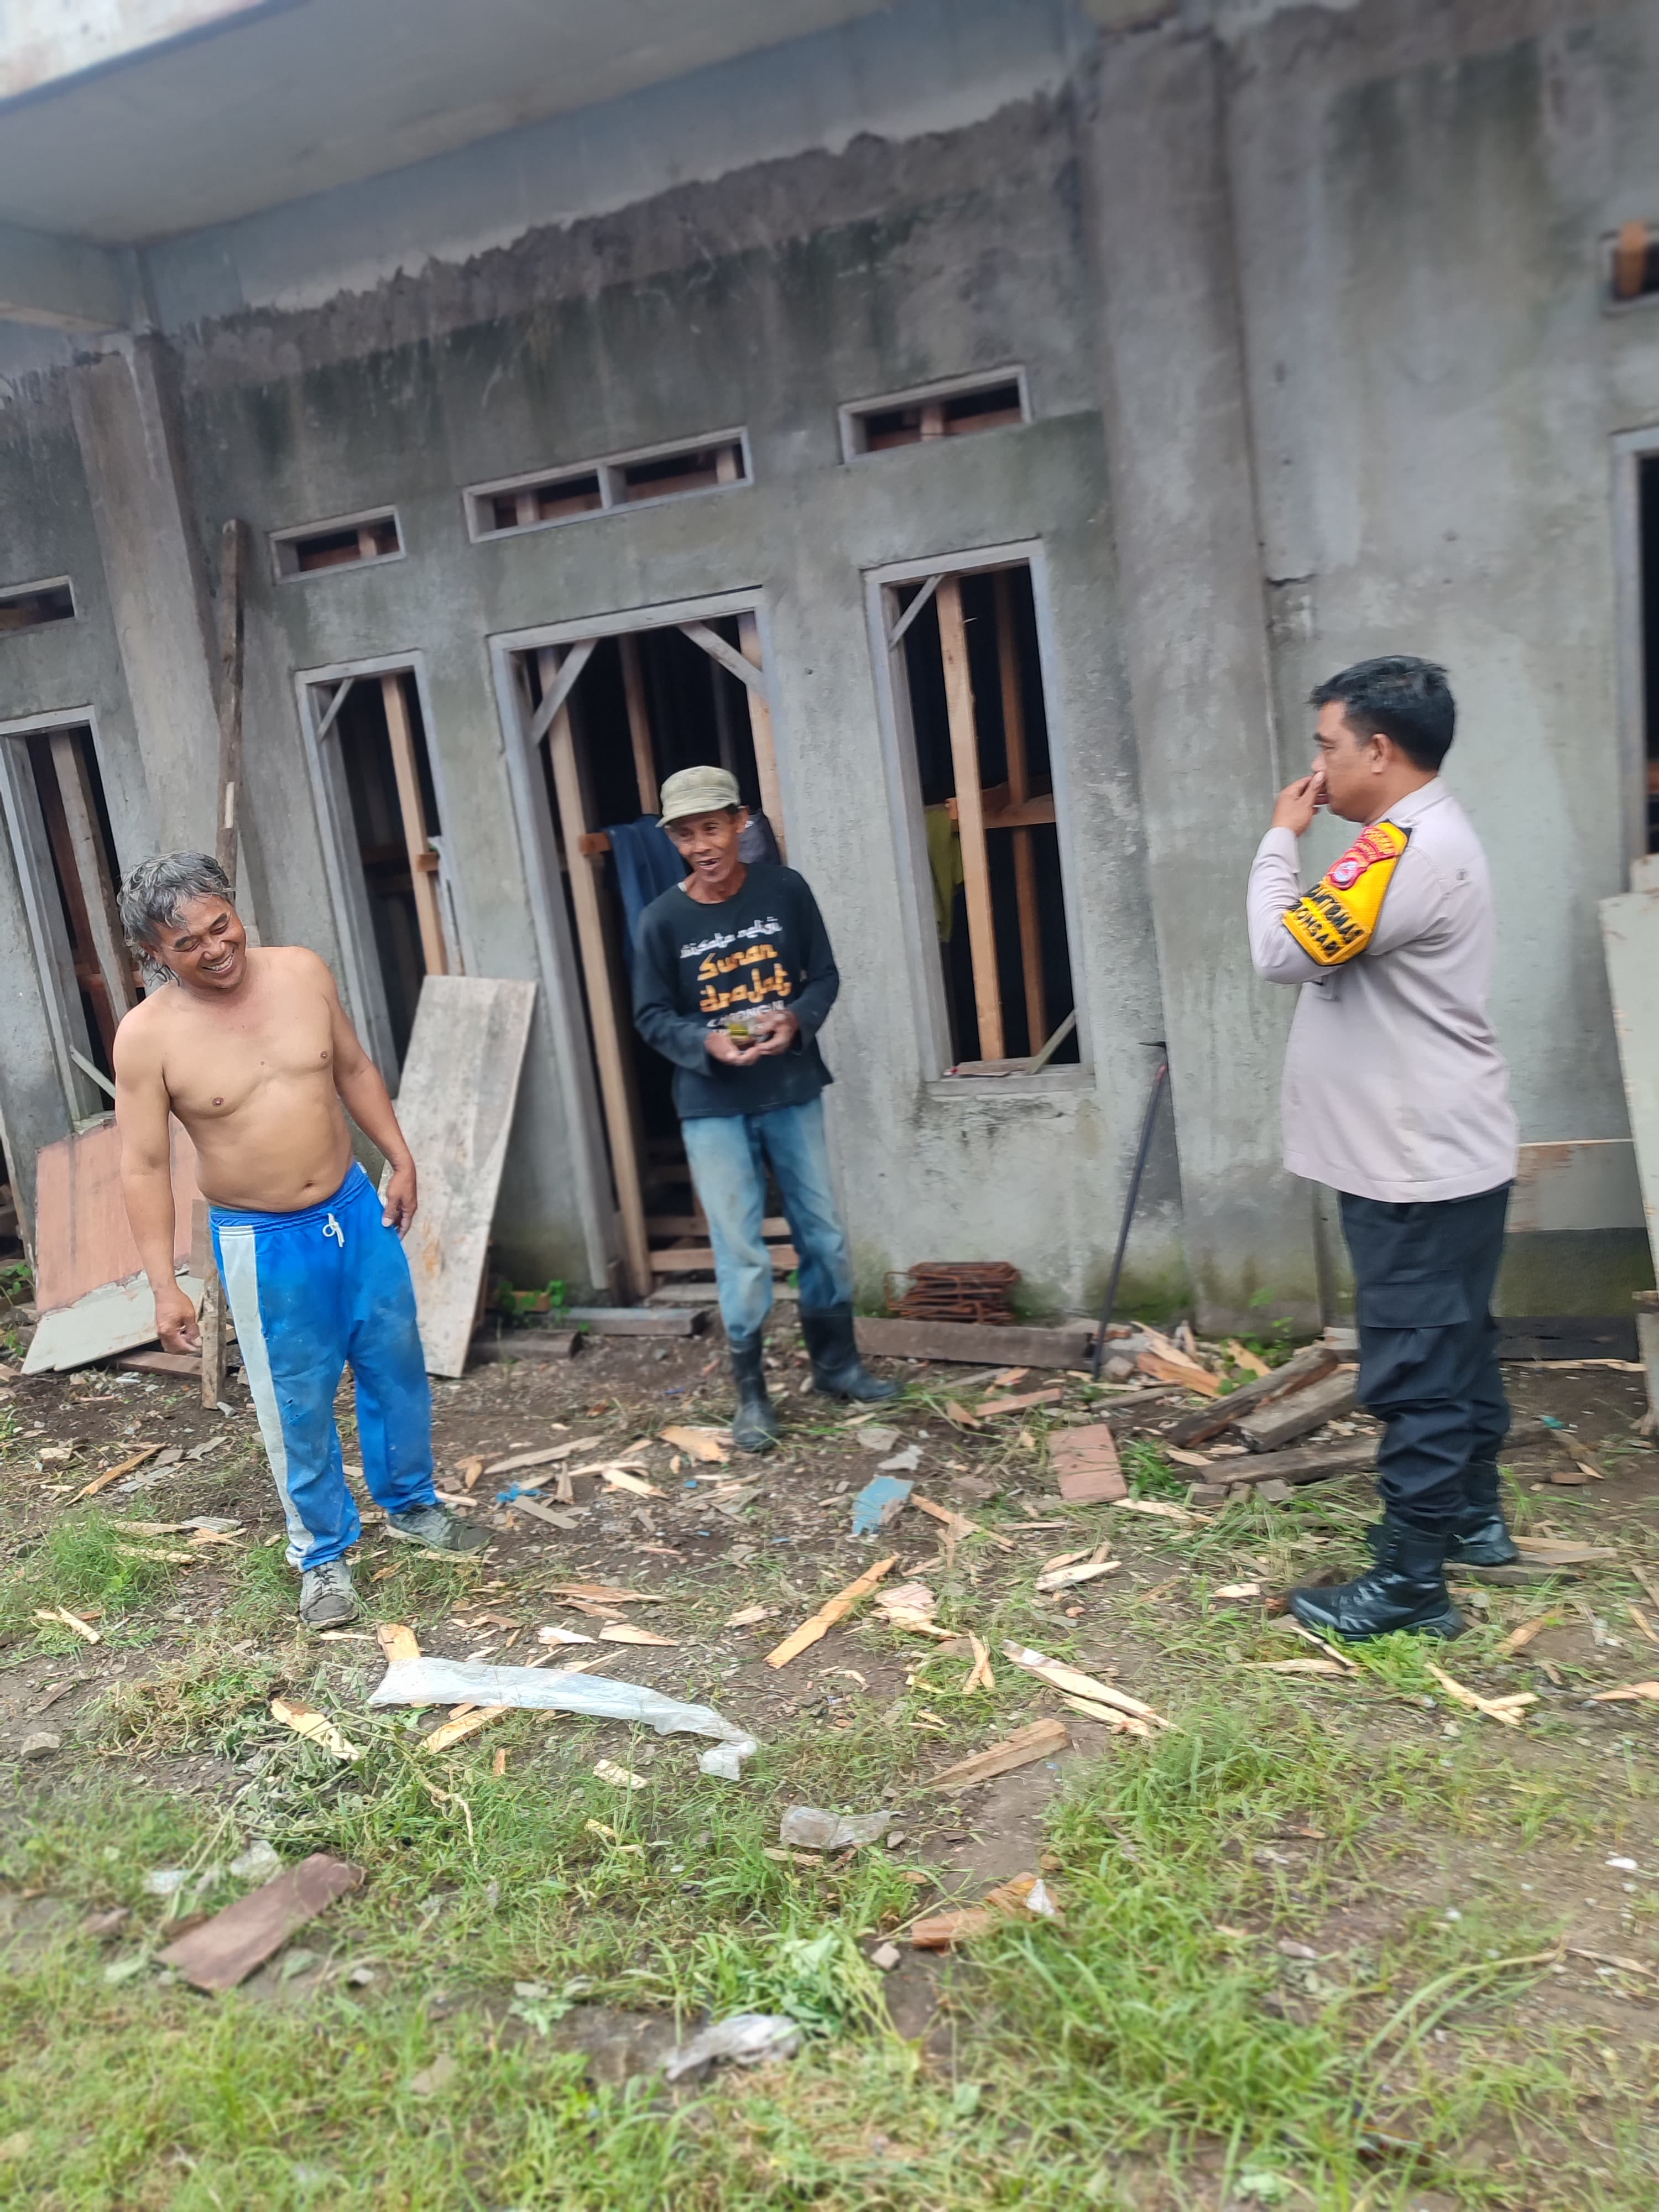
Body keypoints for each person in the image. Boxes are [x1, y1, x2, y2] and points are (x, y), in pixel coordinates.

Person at [112, 852, 484, 1630]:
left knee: (394, 1364)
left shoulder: (302, 972)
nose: (217, 949)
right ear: (153, 953)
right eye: (189, 944)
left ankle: (413, 1505)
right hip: (263, 1240)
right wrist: (163, 1285)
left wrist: (400, 1157)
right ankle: (321, 1554)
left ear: (234, 907)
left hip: (354, 1208)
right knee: (296, 1399)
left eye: (222, 926)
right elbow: (143, 1165)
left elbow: (352, 1068)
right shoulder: (147, 1038)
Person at [1246, 658, 1519, 1641]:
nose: (1316, 767)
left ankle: (1410, 1584)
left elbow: (1281, 949)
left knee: (1417, 1368)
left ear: (1380, 749)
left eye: (1327, 747)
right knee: (1455, 1345)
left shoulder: (1402, 852)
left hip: (1412, 1163)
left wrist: (1280, 840)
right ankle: (1475, 1521)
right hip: (1440, 1150)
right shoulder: (1415, 838)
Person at [631, 765, 896, 1451]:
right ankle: (751, 1395)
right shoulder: (662, 920)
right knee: (742, 1250)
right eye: (685, 835)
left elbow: (824, 976)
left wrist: (795, 1018)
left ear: (740, 822)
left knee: (824, 1235)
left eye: (712, 828)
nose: (702, 846)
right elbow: (651, 1015)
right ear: (672, 840)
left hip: (791, 1088)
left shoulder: (785, 891)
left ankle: (837, 1366)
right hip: (711, 1103)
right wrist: (707, 1041)